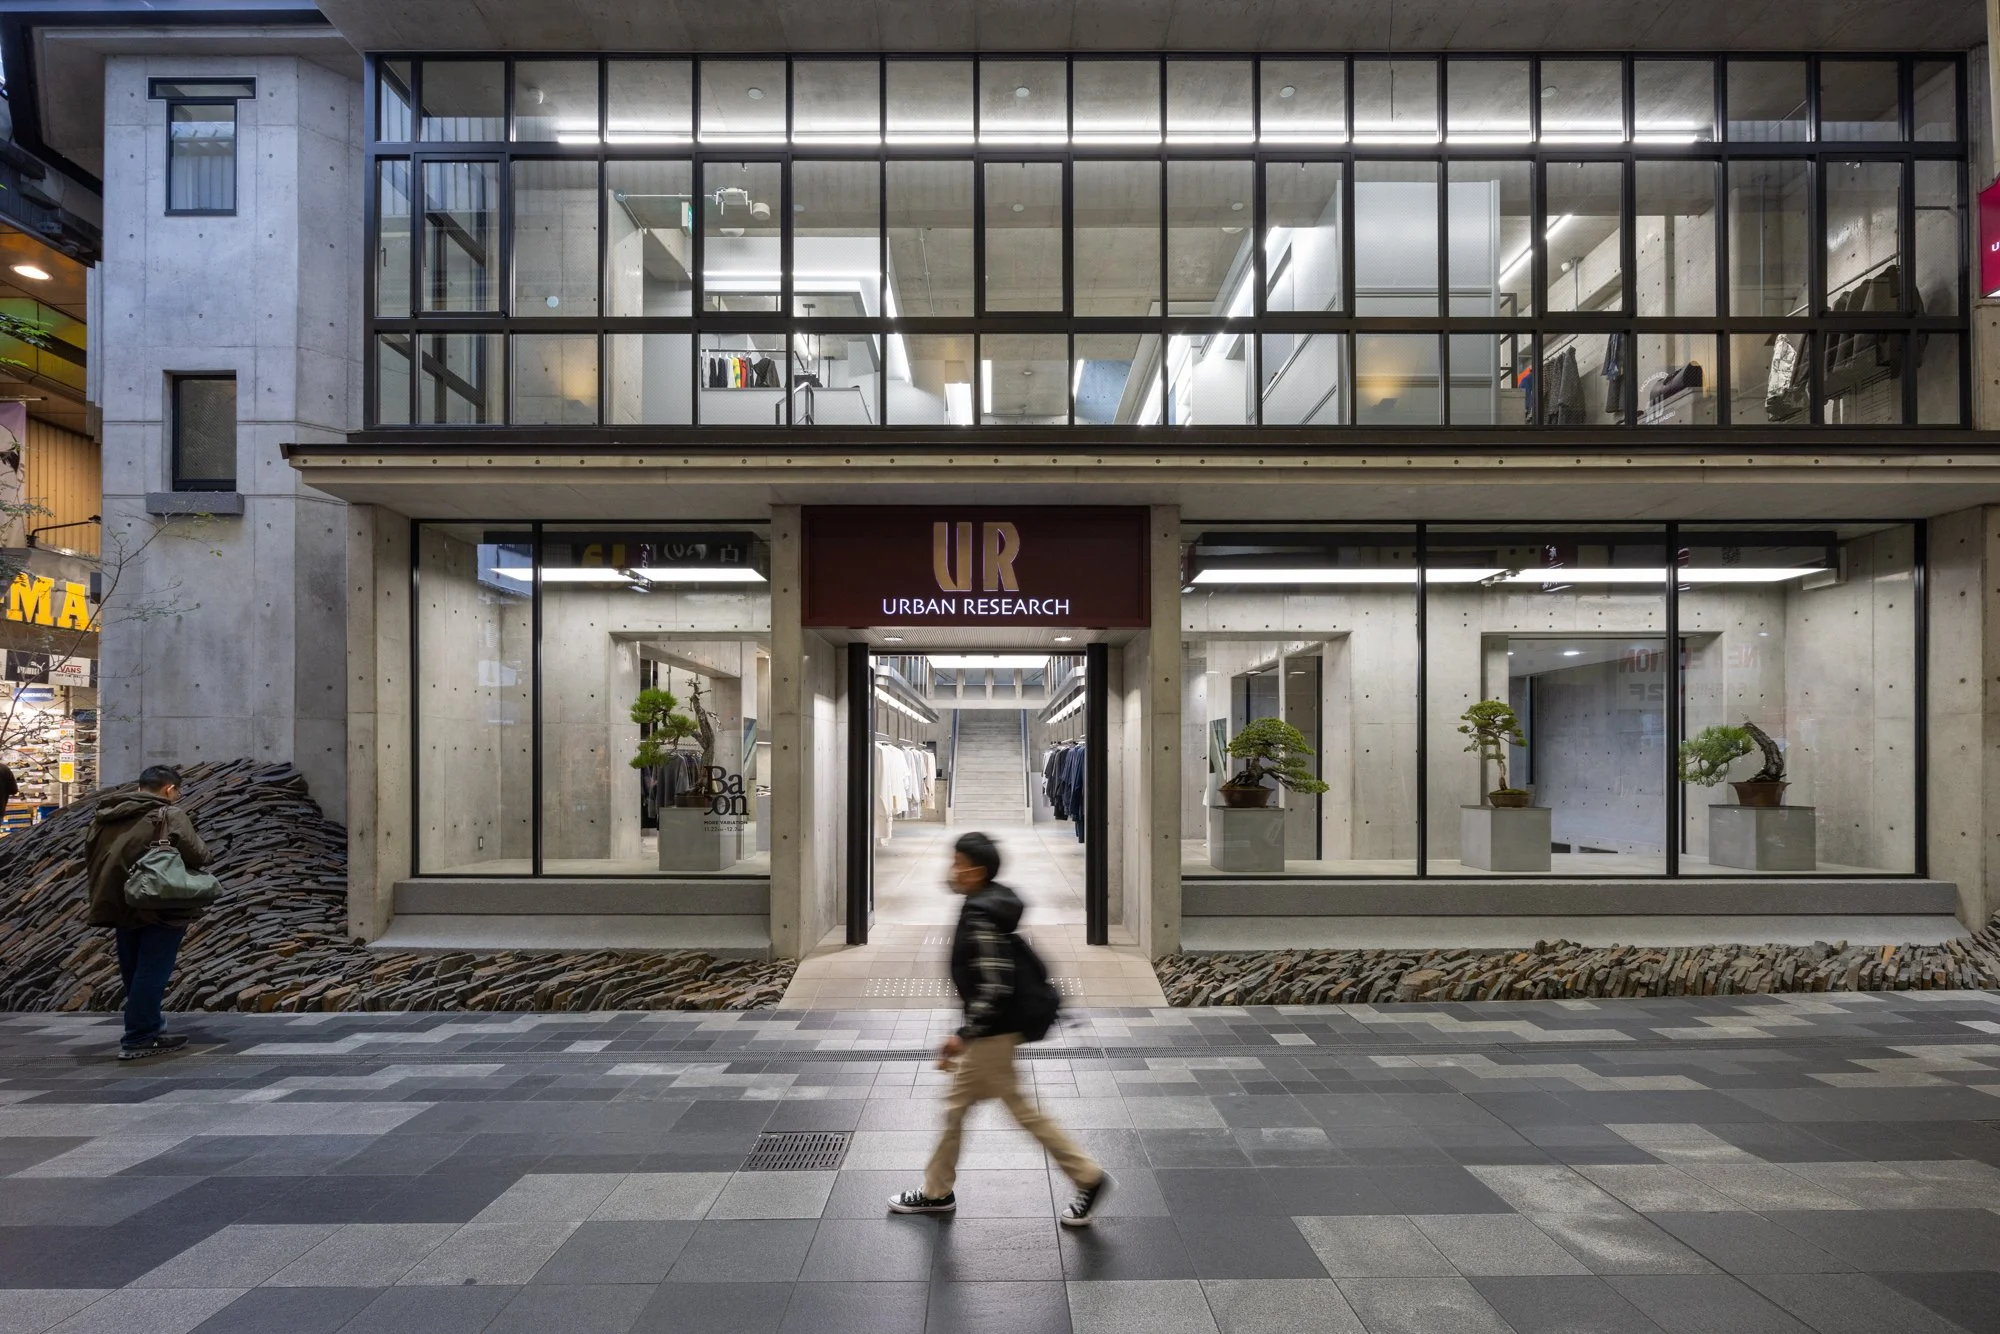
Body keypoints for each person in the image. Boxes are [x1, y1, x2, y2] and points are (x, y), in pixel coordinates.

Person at [889, 831, 1111, 1227]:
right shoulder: (986, 903)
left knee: (1009, 1111)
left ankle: (1087, 1176)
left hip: (992, 1034)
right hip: (995, 1031)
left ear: (975, 871)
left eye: (957, 862)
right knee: (969, 1109)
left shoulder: (980, 915)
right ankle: (937, 1190)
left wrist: (965, 1034)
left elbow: (995, 984)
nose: (951, 870)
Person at [85, 766, 210, 1060]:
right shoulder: (168, 814)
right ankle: (139, 1036)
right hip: (158, 900)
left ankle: (149, 1027)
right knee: (153, 969)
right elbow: (198, 853)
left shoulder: (106, 815)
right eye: (177, 791)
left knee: (133, 968)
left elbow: (91, 856)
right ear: (169, 789)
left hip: (117, 899)